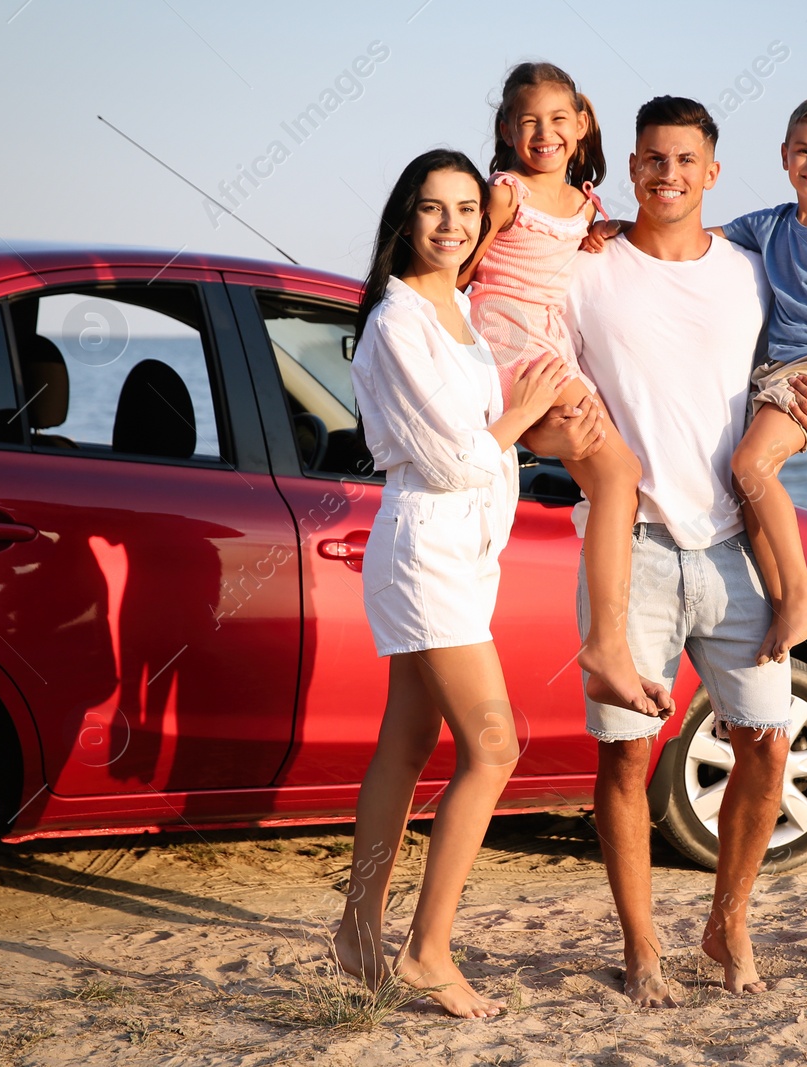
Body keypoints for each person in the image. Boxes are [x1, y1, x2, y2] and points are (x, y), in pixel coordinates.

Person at [548, 96, 807, 1006]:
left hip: (733, 549)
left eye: (685, 161)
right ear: (630, 167)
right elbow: (541, 380)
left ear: (713, 173)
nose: (667, 174)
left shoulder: (751, 271)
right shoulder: (585, 270)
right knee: (627, 757)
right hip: (631, 546)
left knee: (765, 741)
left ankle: (730, 918)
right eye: (651, 159)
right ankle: (641, 945)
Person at [334, 149, 569, 1020]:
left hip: (465, 553)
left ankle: (358, 934)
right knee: (495, 744)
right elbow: (450, 454)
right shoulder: (398, 321)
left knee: (405, 742)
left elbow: (509, 229)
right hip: (425, 545)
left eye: (465, 208)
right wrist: (519, 411)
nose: (452, 224)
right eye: (433, 209)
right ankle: (428, 948)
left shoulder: (459, 303)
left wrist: (514, 209)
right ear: (405, 216)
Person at [589, 95, 807, 666]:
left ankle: (801, 591)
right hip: (774, 373)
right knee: (750, 491)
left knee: (748, 466)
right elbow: (691, 228)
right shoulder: (772, 224)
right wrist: (624, 226)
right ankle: (783, 603)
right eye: (804, 151)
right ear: (784, 156)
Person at [459, 62, 672, 719]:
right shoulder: (504, 193)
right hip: (513, 349)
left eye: (559, 120)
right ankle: (606, 648)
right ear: (505, 129)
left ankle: (606, 646)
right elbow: (463, 270)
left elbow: (576, 249)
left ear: (581, 126)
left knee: (618, 476)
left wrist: (598, 232)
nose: (544, 133)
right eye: (528, 122)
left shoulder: (584, 205)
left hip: (552, 352)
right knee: (616, 475)